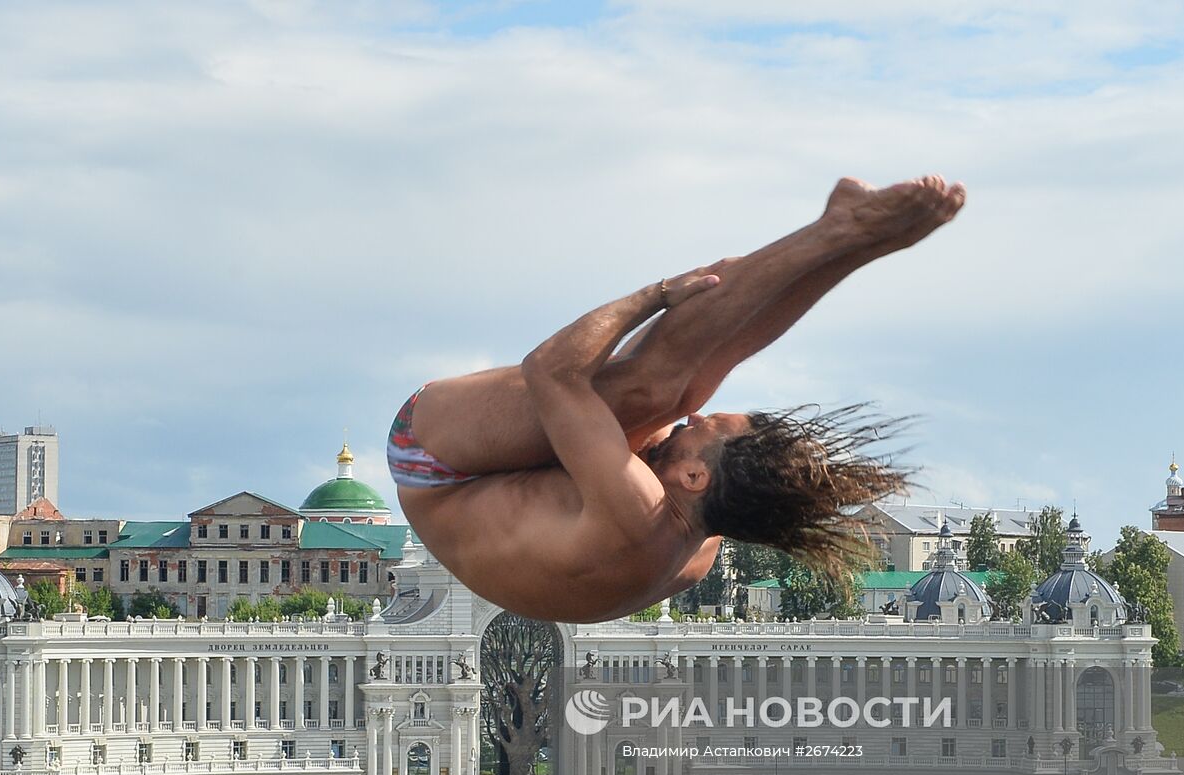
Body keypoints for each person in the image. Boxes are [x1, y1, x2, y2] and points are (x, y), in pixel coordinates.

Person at [389, 176, 965, 622]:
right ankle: (850, 239)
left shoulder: (639, 515)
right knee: (685, 385)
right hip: (521, 485)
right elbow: (728, 351)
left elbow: (551, 371)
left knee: (654, 388)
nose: (693, 419)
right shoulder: (700, 543)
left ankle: (839, 232)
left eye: (703, 429)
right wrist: (856, 250)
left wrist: (658, 295)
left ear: (693, 477)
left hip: (436, 459)